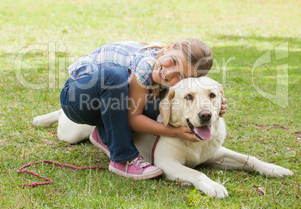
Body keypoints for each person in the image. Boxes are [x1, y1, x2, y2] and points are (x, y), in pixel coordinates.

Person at [59, 39, 227, 180]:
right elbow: (133, 118)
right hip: (77, 98)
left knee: (156, 103)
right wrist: (174, 132)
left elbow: (193, 92)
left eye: (180, 77)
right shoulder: (147, 64)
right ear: (169, 47)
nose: (169, 73)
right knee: (115, 77)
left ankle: (104, 134)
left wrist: (214, 105)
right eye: (174, 62)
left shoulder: (161, 72)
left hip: (104, 104)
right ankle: (123, 159)